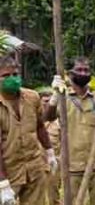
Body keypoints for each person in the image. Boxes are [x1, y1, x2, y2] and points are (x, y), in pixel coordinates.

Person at [45, 56, 95, 205]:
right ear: (70, 74)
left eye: (86, 70)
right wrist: (54, 97)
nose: (83, 73)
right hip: (72, 164)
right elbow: (48, 117)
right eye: (79, 70)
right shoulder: (63, 98)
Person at [0, 55, 56, 205]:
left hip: (34, 167)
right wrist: (3, 184)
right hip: (7, 170)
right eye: (5, 75)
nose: (12, 78)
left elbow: (39, 126)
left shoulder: (32, 97)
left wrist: (49, 152)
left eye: (15, 74)